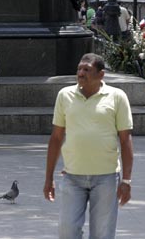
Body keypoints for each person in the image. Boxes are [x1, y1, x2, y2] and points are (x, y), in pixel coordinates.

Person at [43, 53, 133, 239]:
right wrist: (48, 177)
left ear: (101, 75)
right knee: (67, 232)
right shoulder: (64, 95)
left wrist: (126, 181)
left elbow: (125, 140)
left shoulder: (117, 97)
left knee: (102, 234)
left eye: (87, 70)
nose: (81, 73)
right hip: (72, 177)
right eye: (79, 69)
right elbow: (56, 137)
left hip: (106, 179)